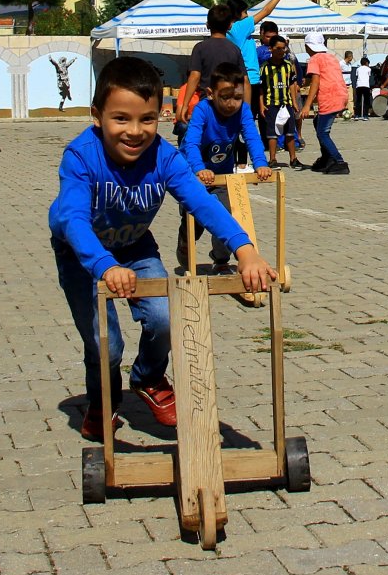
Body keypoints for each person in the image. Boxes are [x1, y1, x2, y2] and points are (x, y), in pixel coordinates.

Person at [49, 57, 277, 441]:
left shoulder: (164, 156)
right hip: (82, 256)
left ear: (161, 116)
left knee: (164, 317)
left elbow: (201, 202)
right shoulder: (81, 157)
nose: (135, 132)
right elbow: (72, 220)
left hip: (136, 246)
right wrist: (104, 266)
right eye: (121, 119)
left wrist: (245, 250)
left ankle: (149, 378)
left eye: (148, 120)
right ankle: (103, 401)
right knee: (106, 343)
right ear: (97, 116)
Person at [177, 63, 271, 271]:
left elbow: (252, 137)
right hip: (193, 175)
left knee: (226, 217)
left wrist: (261, 164)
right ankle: (185, 241)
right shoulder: (203, 109)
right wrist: (199, 168)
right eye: (225, 97)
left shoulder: (243, 111)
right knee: (197, 220)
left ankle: (221, 260)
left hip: (222, 175)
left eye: (237, 98)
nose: (231, 104)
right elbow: (191, 142)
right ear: (211, 93)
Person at [226, 0, 293, 165]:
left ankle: (242, 160)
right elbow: (266, 11)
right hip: (250, 81)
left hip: (238, 80)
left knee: (242, 120)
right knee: (248, 122)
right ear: (239, 14)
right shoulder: (240, 27)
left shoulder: (228, 31)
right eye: (245, 12)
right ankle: (252, 161)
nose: (248, 15)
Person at [178, 5, 244, 130]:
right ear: (230, 25)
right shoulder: (235, 49)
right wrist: (246, 107)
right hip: (229, 103)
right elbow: (245, 80)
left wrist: (185, 105)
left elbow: (195, 76)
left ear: (207, 24)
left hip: (207, 102)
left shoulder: (200, 48)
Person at [302, 33, 351, 174]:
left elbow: (316, 81)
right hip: (340, 95)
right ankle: (326, 158)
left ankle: (339, 161)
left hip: (329, 98)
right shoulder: (331, 57)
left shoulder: (314, 59)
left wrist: (307, 105)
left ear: (307, 46)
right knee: (318, 123)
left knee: (323, 133)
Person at [260, 35, 304, 169]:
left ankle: (293, 158)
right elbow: (261, 88)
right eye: (278, 48)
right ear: (270, 49)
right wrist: (261, 104)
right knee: (272, 133)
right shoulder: (265, 67)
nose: (281, 51)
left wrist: (294, 102)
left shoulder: (288, 66)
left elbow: (292, 84)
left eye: (283, 48)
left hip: (287, 103)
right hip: (271, 103)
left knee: (290, 131)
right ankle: (273, 159)